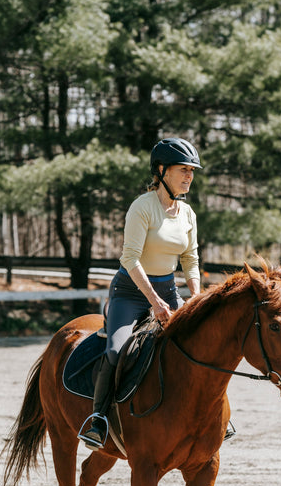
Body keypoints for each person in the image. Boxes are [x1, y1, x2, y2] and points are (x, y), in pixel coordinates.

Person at [79, 136, 217, 450]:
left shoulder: (187, 213)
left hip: (169, 289)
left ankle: (208, 417)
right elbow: (130, 259)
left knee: (201, 342)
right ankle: (99, 419)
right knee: (116, 350)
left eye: (191, 171)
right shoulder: (142, 208)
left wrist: (195, 297)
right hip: (131, 293)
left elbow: (190, 259)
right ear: (161, 171)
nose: (189, 176)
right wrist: (154, 303)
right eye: (183, 169)